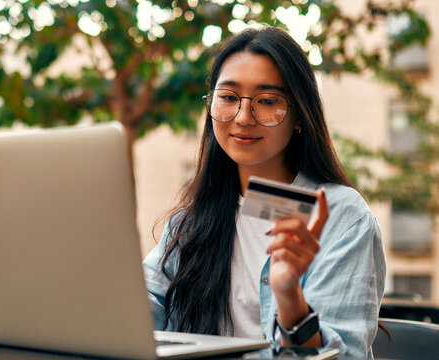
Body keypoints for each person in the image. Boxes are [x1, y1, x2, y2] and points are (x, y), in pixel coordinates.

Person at [143, 25, 386, 359]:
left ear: (299, 115)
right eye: (228, 98)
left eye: (267, 101)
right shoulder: (191, 221)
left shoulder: (342, 217)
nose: (243, 117)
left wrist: (289, 298)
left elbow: (344, 356)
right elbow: (139, 308)